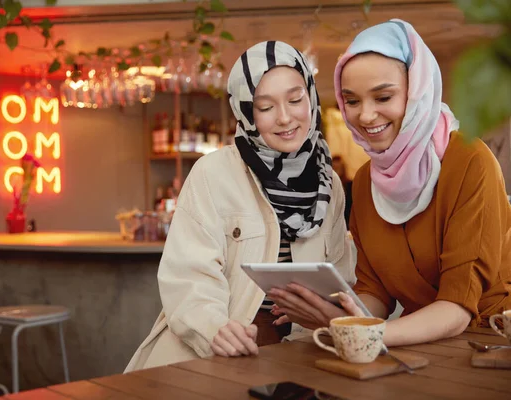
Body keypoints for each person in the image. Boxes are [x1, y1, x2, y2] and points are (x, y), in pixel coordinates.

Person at [269, 19, 511, 347]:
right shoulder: (367, 180)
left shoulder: (470, 162)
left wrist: (363, 333)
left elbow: (457, 307)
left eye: (383, 97)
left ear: (417, 91)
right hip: (417, 346)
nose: (366, 116)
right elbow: (375, 294)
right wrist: (335, 315)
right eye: (352, 101)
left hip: (491, 345)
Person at [124, 41, 354, 372]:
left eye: (295, 99)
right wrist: (215, 329)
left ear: (311, 97)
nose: (286, 117)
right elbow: (189, 280)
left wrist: (325, 313)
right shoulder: (212, 173)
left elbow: (341, 279)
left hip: (304, 355)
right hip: (216, 353)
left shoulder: (328, 181)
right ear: (246, 111)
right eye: (266, 107)